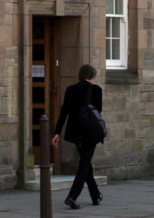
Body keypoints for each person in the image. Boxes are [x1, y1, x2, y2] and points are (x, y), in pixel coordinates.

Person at [52, 64, 104, 210]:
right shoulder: (96, 90)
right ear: (92, 76)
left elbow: (64, 112)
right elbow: (97, 112)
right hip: (90, 132)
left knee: (86, 162)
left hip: (76, 133)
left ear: (80, 76)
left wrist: (57, 132)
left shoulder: (71, 90)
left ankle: (95, 195)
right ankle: (72, 197)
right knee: (85, 163)